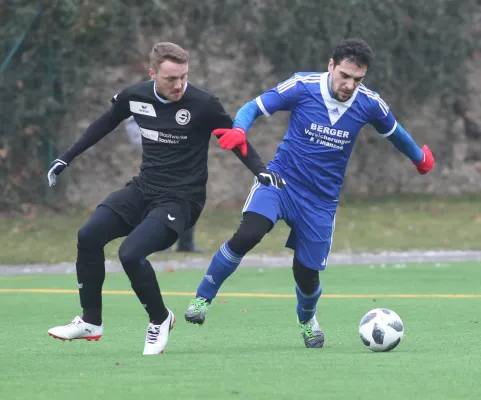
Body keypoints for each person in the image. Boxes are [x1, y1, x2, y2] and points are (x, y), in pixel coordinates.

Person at [184, 38, 435, 348]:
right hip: (280, 182)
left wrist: (419, 158)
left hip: (320, 201)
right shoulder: (302, 86)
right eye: (344, 75)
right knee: (249, 234)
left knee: (306, 275)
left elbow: (395, 133)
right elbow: (255, 107)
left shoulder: (369, 103)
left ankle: (307, 319)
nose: (349, 84)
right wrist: (240, 128)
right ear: (331, 66)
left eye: (357, 79)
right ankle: (201, 299)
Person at [45, 42, 283, 355]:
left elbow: (234, 138)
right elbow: (105, 123)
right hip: (144, 188)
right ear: (153, 74)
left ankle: (160, 319)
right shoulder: (135, 96)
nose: (179, 85)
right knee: (88, 236)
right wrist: (66, 158)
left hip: (182, 200)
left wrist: (259, 170)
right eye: (171, 78)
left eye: (183, 76)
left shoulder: (203, 103)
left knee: (130, 254)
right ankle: (91, 321)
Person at [125, 115, 203, 253]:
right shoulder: (142, 98)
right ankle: (161, 243)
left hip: (183, 155)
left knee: (190, 195)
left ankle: (186, 244)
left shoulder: (184, 98)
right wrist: (155, 143)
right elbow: (133, 126)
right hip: (157, 158)